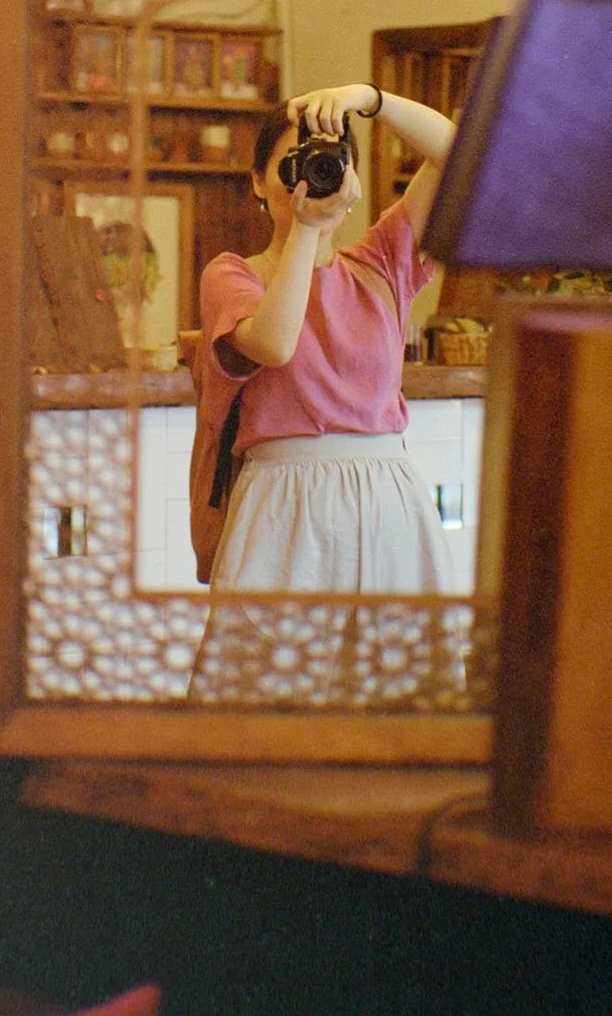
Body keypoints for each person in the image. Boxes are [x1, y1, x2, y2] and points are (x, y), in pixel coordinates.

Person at [185, 81, 461, 703]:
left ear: (352, 179)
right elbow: (276, 344)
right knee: (267, 701)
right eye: (294, 164)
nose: (312, 175)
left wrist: (371, 100)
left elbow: (464, 150)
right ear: (258, 181)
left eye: (332, 159)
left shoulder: (382, 262)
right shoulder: (232, 275)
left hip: (389, 501)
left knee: (398, 701)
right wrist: (307, 232)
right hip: (285, 505)